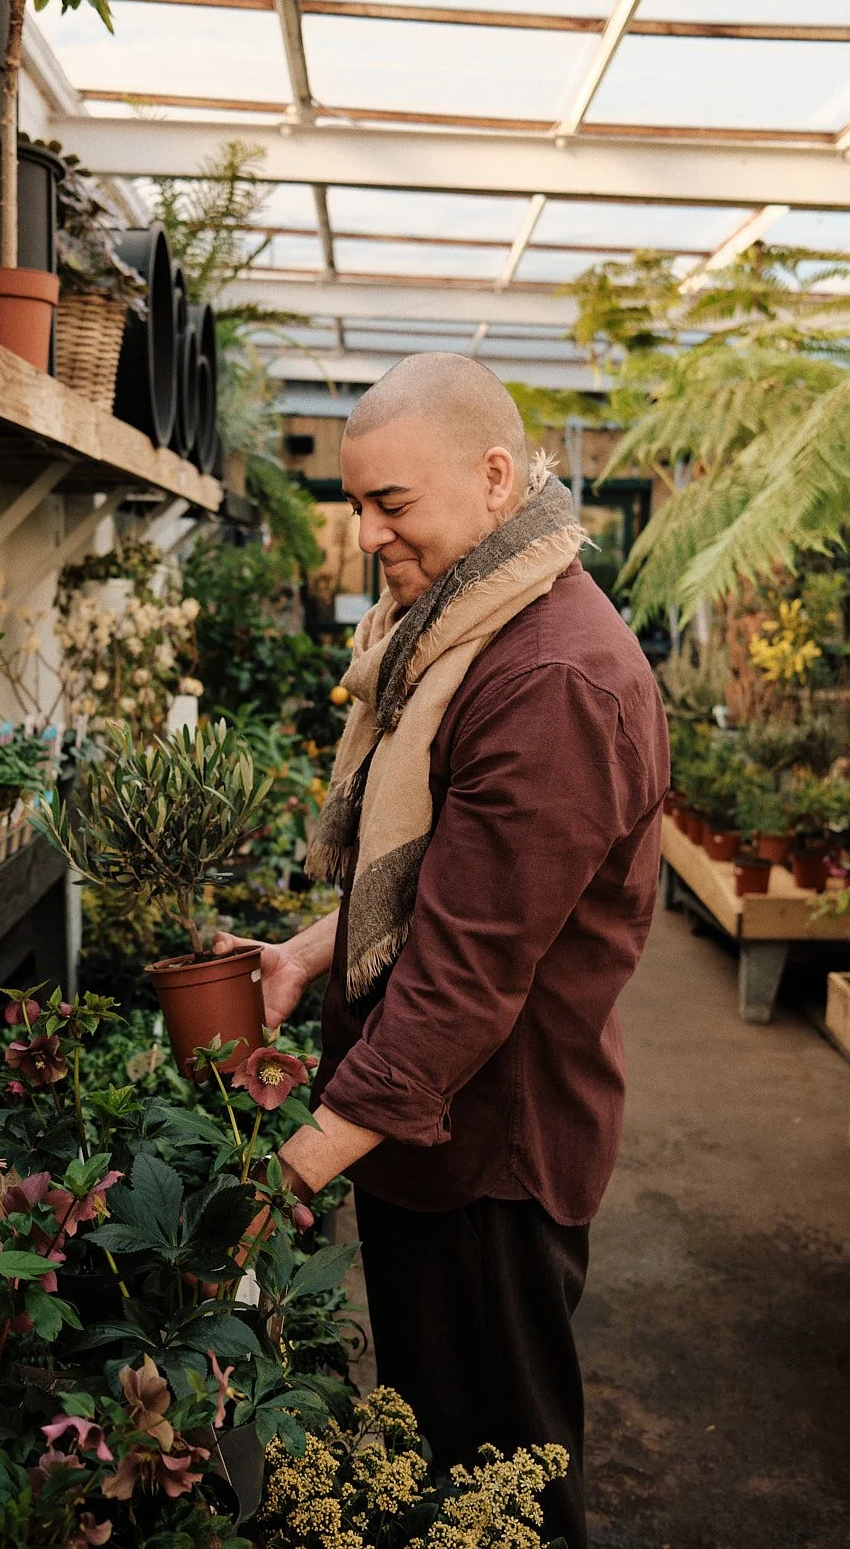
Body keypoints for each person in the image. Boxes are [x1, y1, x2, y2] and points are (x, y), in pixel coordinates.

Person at [214, 352, 669, 1549]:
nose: (364, 534)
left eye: (390, 504)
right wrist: (316, 951)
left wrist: (291, 1170)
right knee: (433, 1455)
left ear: (493, 478)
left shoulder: (552, 678)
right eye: (357, 505)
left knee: (504, 1485)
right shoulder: (475, 627)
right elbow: (447, 872)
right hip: (431, 1139)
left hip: (489, 1152)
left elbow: (467, 979)